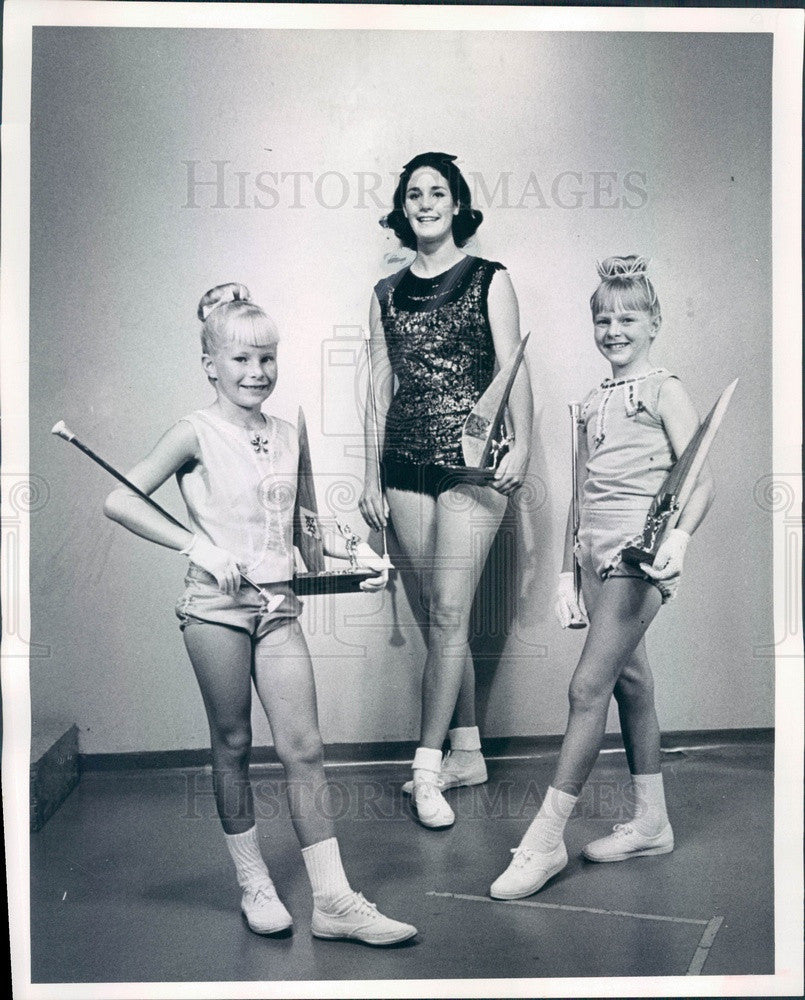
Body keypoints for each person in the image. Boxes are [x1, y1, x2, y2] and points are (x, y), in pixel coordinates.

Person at [103, 283, 416, 945]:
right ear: (210, 363)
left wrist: (360, 554)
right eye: (241, 360)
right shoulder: (194, 431)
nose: (257, 373)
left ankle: (332, 901)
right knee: (235, 747)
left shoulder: (284, 432)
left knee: (304, 750)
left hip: (277, 607)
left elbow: (307, 530)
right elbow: (119, 501)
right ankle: (252, 882)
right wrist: (196, 545)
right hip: (214, 610)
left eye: (267, 359)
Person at [489, 256, 715, 899]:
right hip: (593, 558)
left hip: (639, 559)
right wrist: (565, 570)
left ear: (655, 323)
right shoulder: (589, 401)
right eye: (603, 318)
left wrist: (678, 539)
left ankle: (543, 841)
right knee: (631, 685)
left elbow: (703, 483)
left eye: (628, 317)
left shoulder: (666, 390)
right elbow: (581, 495)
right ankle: (651, 822)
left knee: (587, 685)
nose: (614, 329)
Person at [359, 152, 533, 829]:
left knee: (448, 615)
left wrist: (518, 442)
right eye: (413, 195)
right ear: (402, 210)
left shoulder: (491, 279)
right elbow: (378, 390)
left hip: (473, 463)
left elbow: (515, 366)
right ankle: (468, 753)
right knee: (440, 612)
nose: (425, 202)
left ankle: (425, 769)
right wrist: (370, 476)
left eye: (437, 192)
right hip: (404, 461)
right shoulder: (383, 292)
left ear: (457, 204)